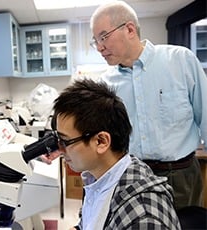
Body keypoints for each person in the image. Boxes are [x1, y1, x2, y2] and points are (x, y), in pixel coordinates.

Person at [89, 1, 206, 210]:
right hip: (131, 178)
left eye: (104, 37)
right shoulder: (105, 84)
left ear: (130, 29)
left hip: (180, 177)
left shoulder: (180, 60)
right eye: (95, 41)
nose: (99, 47)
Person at [52, 79, 181, 229]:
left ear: (101, 141)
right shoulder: (101, 177)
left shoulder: (141, 218)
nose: (61, 151)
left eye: (66, 142)